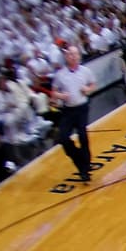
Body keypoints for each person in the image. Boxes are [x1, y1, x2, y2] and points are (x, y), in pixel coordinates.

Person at [50, 44, 97, 181]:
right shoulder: (60, 75)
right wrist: (60, 96)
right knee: (64, 138)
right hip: (68, 110)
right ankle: (80, 160)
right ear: (66, 56)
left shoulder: (85, 71)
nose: (74, 57)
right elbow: (54, 91)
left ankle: (85, 169)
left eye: (76, 54)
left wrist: (88, 90)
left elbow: (93, 84)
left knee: (83, 136)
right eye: (71, 54)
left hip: (82, 107)